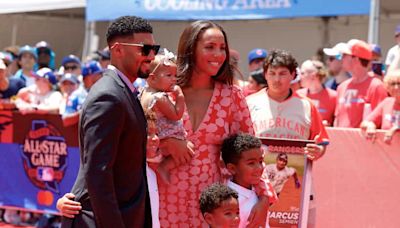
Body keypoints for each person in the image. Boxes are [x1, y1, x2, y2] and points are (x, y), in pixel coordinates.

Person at [157, 20, 276, 227]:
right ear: (191, 49)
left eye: (222, 48)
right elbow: (140, 141)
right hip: (165, 197)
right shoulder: (163, 93)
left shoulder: (232, 97)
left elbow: (252, 150)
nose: (218, 55)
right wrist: (165, 143)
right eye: (210, 47)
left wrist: (265, 195)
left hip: (213, 204)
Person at [59, 15, 157, 227]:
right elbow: (98, 174)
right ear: (118, 49)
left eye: (154, 49)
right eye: (144, 49)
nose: (151, 56)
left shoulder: (125, 92)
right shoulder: (109, 96)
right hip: (101, 220)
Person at [246, 49, 329, 228]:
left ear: (293, 75)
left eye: (283, 73)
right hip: (255, 187)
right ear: (265, 74)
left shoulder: (306, 106)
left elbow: (321, 142)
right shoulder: (249, 103)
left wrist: (318, 151)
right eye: (272, 73)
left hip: (298, 191)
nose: (277, 79)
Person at [140, 50, 185, 184]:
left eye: (175, 76)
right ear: (152, 78)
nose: (174, 79)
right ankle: (165, 166)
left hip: (152, 135)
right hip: (164, 135)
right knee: (189, 147)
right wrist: (180, 96)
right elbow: (176, 115)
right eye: (169, 75)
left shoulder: (144, 91)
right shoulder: (159, 97)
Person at [221, 133, 272, 228]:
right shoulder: (229, 200)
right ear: (232, 168)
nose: (259, 168)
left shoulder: (258, 189)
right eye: (251, 163)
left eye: (260, 161)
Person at [335, 39, 388, 128]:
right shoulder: (341, 87)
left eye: (344, 55)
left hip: (363, 141)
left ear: (355, 59)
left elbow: (380, 120)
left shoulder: (376, 87)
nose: (341, 58)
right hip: (340, 140)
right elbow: (337, 119)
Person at [361, 69, 400, 143]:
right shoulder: (387, 102)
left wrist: (395, 129)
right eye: (392, 84)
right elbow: (365, 122)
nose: (396, 87)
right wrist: (370, 126)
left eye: (399, 83)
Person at [298, 60, 337, 126]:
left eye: (302, 73)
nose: (299, 77)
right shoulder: (298, 95)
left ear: (313, 75)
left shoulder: (333, 96)